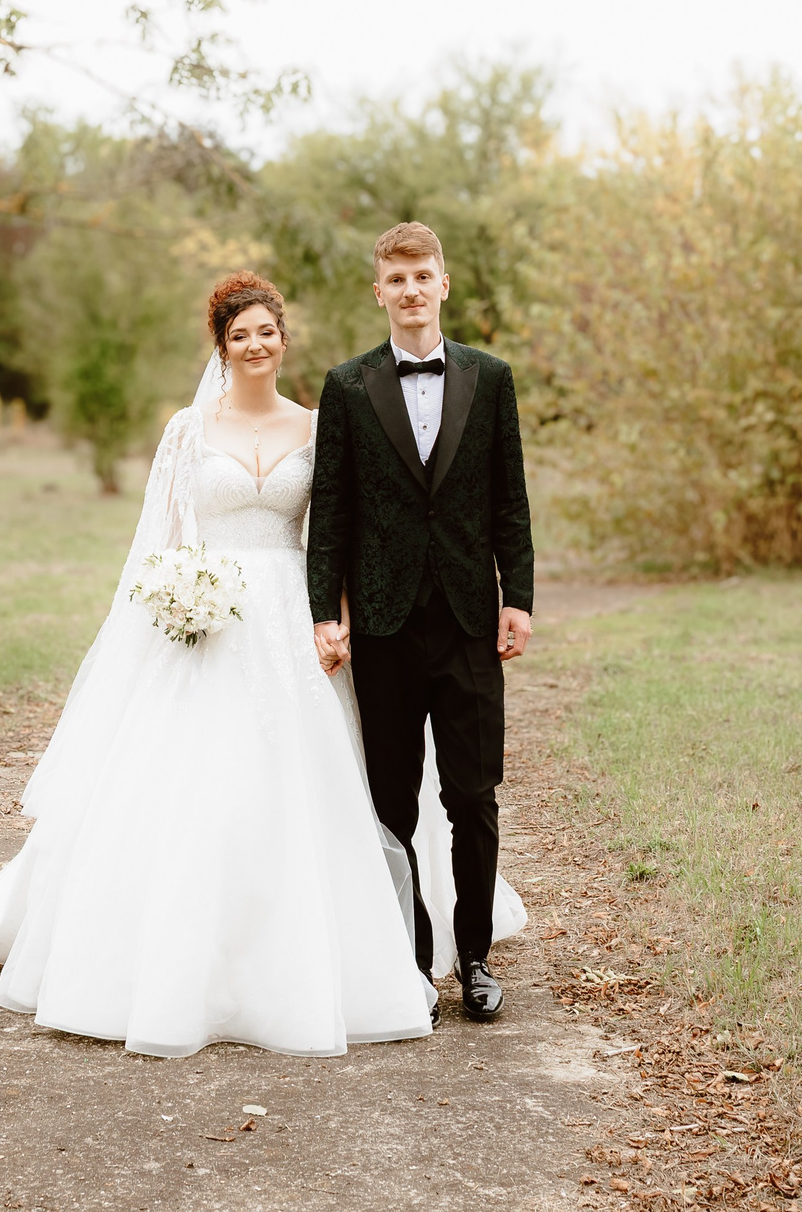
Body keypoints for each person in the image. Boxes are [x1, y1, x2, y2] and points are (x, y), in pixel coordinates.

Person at [0, 273, 461, 1057]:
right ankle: (168, 959)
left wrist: (334, 617)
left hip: (289, 621)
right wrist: (177, 600)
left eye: (266, 332)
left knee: (304, 781)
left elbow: (336, 532)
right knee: (194, 783)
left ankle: (324, 950)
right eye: (239, 335)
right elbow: (164, 538)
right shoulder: (187, 430)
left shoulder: (319, 426)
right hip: (208, 620)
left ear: (284, 338)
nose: (255, 345)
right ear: (222, 345)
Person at [307, 222, 535, 1023]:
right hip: (382, 623)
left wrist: (519, 598)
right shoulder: (345, 388)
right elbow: (329, 513)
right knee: (391, 800)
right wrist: (321, 614)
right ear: (379, 291)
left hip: (471, 620)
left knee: (473, 795)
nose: (410, 290)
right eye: (395, 279)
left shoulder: (491, 378)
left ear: (444, 283)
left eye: (422, 276)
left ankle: (473, 958)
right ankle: (408, 961)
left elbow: (510, 498)